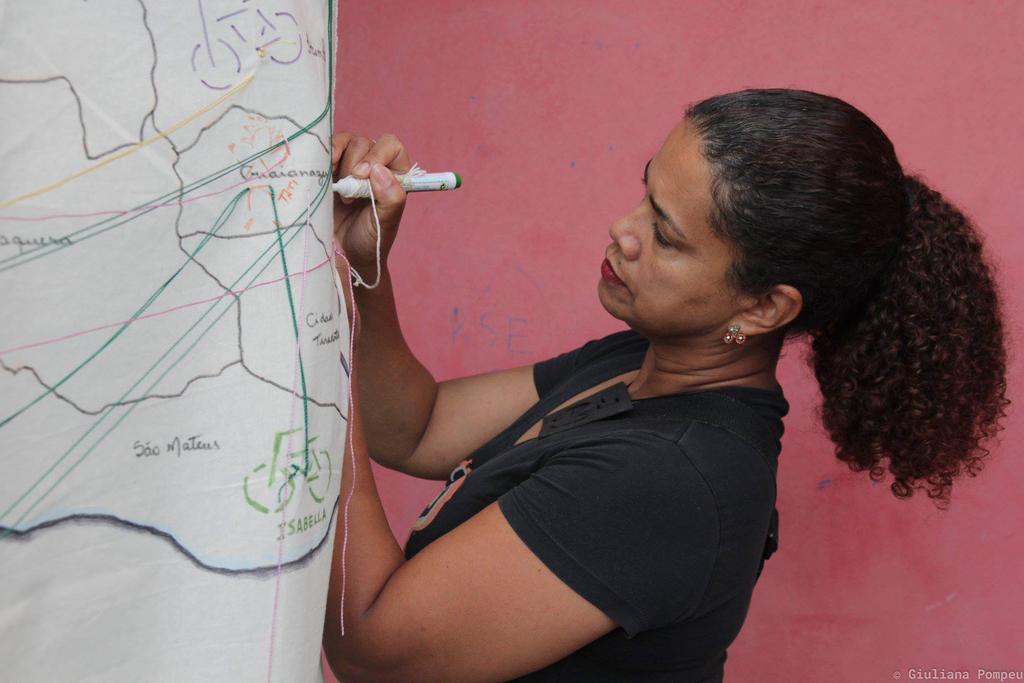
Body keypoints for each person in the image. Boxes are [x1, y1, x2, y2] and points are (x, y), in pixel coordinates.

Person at [320, 88, 1009, 682]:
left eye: (667, 235)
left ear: (762, 308)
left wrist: (313, 336)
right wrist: (361, 268)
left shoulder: (672, 476)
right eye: (645, 194)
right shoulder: (645, 357)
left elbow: (370, 649)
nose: (623, 231)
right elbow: (415, 423)